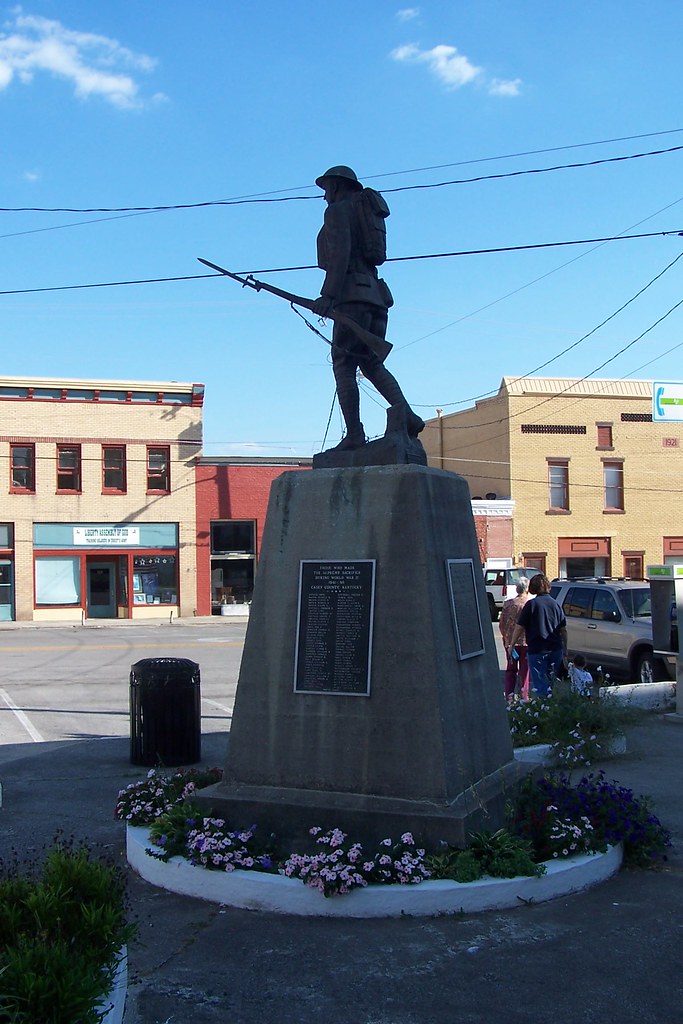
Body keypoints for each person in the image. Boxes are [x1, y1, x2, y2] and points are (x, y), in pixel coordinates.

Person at [312, 165, 424, 451]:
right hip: (376, 297)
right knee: (372, 363)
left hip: (351, 297)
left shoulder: (337, 212)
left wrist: (328, 295)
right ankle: (407, 414)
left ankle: (354, 434)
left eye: (326, 189)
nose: (325, 196)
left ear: (336, 187)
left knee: (343, 364)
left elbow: (340, 254)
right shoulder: (363, 212)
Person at [508, 574, 567, 698]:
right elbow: (563, 630)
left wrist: (512, 644)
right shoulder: (556, 604)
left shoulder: (531, 605)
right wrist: (565, 650)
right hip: (556, 649)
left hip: (537, 649)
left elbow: (519, 627)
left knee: (540, 683)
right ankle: (552, 708)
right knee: (552, 682)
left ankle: (543, 711)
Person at [498, 577, 531, 699]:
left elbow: (501, 624)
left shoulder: (508, 604)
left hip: (510, 642)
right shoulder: (528, 604)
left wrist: (506, 637)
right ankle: (523, 695)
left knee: (510, 670)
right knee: (524, 671)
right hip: (525, 642)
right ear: (527, 588)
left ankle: (509, 695)